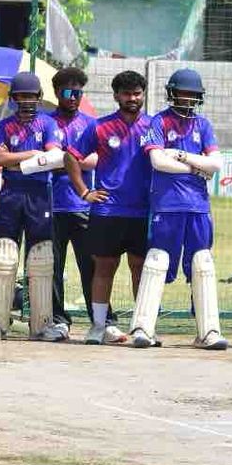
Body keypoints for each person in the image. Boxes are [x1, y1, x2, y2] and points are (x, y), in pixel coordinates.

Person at [134, 68, 227, 350]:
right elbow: (158, 162)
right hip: (167, 205)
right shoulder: (159, 121)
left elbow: (216, 164)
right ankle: (143, 328)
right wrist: (196, 167)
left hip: (197, 207)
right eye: (183, 93)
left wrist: (183, 156)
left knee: (202, 263)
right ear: (172, 93)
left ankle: (208, 332)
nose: (187, 99)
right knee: (157, 261)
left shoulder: (203, 125)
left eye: (192, 95)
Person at [65, 70, 152, 346]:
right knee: (104, 267)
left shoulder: (154, 126)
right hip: (107, 210)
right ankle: (99, 326)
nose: (132, 98)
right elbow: (70, 156)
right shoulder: (99, 127)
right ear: (116, 96)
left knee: (141, 268)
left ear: (143, 94)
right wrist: (84, 191)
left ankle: (142, 327)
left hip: (143, 211)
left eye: (137, 93)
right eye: (126, 94)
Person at [0, 71, 65, 342]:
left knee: (42, 258)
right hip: (11, 193)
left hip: (39, 193)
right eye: (21, 96)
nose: (26, 100)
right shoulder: (5, 126)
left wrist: (17, 160)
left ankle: (41, 325)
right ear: (14, 98)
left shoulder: (48, 124)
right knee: (3, 256)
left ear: (39, 97)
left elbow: (55, 156)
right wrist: (32, 155)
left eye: (31, 96)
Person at [50, 66, 122, 342]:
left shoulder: (91, 124)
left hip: (82, 206)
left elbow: (96, 160)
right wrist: (66, 160)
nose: (73, 97)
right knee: (53, 268)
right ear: (56, 92)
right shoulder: (47, 123)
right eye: (68, 92)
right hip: (53, 204)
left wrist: (66, 160)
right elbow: (43, 160)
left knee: (91, 265)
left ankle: (103, 321)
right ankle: (58, 321)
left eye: (78, 92)